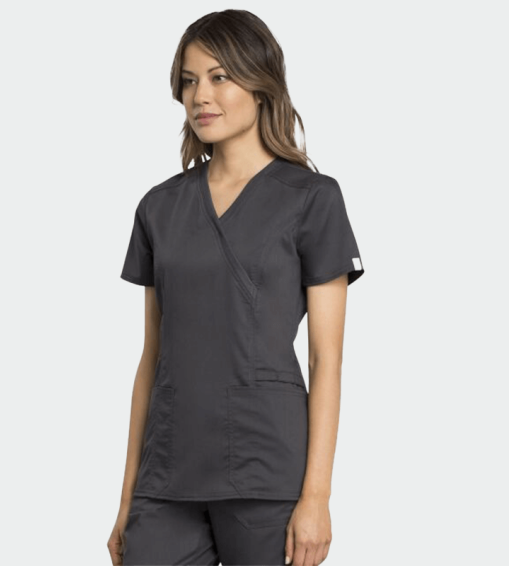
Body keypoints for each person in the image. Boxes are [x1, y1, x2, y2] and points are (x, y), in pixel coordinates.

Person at [107, 9, 365, 566]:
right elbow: (152, 357)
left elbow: (326, 359)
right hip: (167, 473)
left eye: (220, 76)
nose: (200, 95)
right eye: (189, 80)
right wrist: (128, 497)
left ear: (261, 82)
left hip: (266, 471)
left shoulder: (313, 199)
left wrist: (317, 497)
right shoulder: (159, 207)